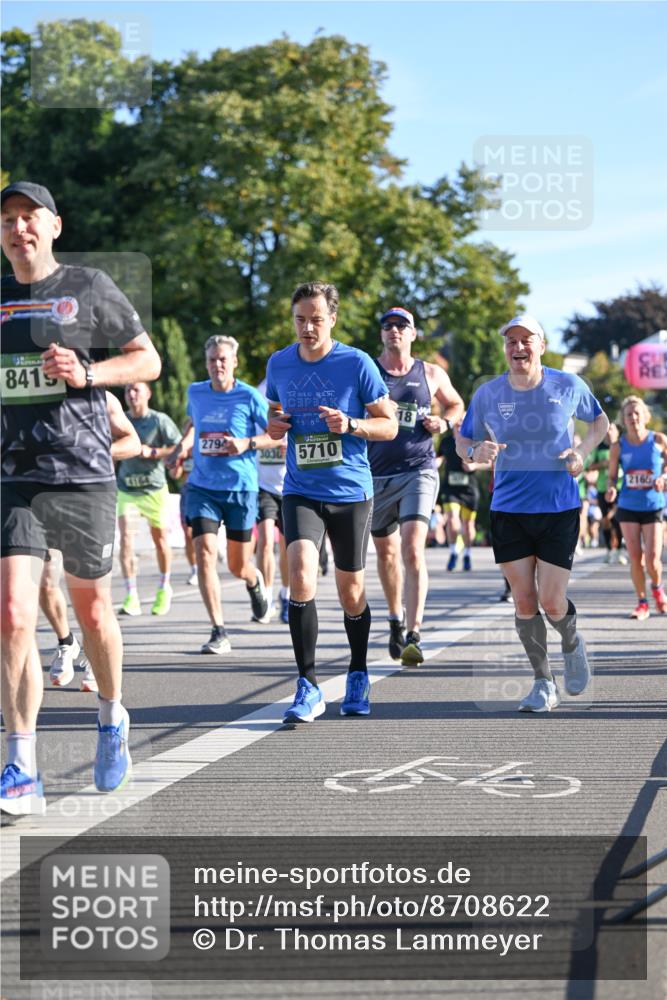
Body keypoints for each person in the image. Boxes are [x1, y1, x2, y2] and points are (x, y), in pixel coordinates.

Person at [1, 180, 161, 814]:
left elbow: (146, 360)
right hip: (13, 476)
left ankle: (112, 713)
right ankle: (20, 764)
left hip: (82, 470)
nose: (18, 228)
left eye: (29, 216)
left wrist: (89, 372)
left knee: (92, 613)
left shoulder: (88, 287)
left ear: (54, 226)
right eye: (8, 219)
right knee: (14, 615)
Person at [458, 314, 608, 713]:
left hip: (559, 506)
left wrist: (582, 453)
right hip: (509, 509)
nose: (519, 347)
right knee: (524, 603)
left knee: (553, 601)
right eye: (512, 341)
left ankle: (572, 643)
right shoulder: (488, 394)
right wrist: (475, 452)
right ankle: (543, 682)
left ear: (541, 345)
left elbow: (600, 422)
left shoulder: (568, 385)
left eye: (527, 340)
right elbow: (463, 436)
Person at [266, 281, 398, 722]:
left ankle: (358, 672)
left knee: (351, 592)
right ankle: (308, 686)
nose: (307, 328)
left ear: (332, 319)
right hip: (301, 489)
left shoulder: (356, 363)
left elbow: (390, 426)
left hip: (350, 492)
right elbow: (272, 416)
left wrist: (353, 424)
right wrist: (276, 426)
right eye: (300, 319)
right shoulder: (279, 363)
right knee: (300, 576)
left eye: (316, 320)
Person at [367, 307, 464, 665]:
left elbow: (456, 403)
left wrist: (444, 421)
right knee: (387, 554)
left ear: (413, 334)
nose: (394, 330)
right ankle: (394, 617)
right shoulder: (369, 371)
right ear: (382, 334)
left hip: (419, 470)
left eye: (401, 326)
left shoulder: (431, 373)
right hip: (375, 474)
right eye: (388, 325)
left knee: (411, 548)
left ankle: (414, 632)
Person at [168, 335, 274, 653]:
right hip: (202, 487)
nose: (217, 365)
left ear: (234, 362)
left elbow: (275, 434)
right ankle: (218, 630)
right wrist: (179, 449)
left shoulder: (249, 396)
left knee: (237, 566)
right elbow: (193, 425)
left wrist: (247, 443)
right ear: (206, 363)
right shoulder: (196, 392)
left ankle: (254, 581)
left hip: (240, 489)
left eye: (223, 359)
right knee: (204, 555)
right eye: (212, 359)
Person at [43, 391, 141, 692]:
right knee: (44, 582)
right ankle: (66, 642)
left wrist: (96, 452)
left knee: (90, 599)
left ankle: (92, 651)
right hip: (39, 498)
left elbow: (132, 442)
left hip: (87, 503)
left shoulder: (100, 397)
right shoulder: (28, 396)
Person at [116, 381, 181, 617]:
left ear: (148, 394)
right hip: (127, 489)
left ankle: (164, 587)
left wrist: (154, 452)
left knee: (160, 541)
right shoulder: (120, 419)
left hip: (154, 489)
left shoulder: (159, 420)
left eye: (136, 390)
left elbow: (178, 447)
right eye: (127, 390)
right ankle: (131, 594)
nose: (131, 395)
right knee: (126, 541)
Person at [605, 396, 667, 619]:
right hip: (628, 505)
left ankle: (658, 588)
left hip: (653, 505)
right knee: (635, 557)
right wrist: (611, 488)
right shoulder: (618, 446)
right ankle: (642, 603)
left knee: (652, 559)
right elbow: (612, 477)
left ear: (646, 416)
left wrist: (664, 477)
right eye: (629, 414)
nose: (633, 418)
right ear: (623, 419)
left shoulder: (659, 440)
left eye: (637, 413)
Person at [255, 379, 290, 623]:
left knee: (289, 547)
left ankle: (286, 595)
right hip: (264, 485)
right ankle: (265, 598)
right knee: (266, 540)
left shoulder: (294, 394)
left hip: (290, 486)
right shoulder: (258, 394)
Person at [438, 423, 482, 573]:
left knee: (468, 525)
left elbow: (489, 461)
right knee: (451, 519)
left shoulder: (475, 441)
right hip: (450, 487)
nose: (460, 425)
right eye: (457, 423)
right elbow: (439, 458)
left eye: (463, 422)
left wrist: (474, 466)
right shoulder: (446, 441)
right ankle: (453, 552)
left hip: (469, 489)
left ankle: (467, 554)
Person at [588, 424, 626, 564]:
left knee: (617, 519)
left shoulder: (623, 446)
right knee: (605, 520)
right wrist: (604, 463)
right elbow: (590, 466)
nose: (608, 432)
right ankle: (610, 551)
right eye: (607, 429)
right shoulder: (600, 448)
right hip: (602, 488)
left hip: (620, 488)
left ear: (618, 432)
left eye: (611, 429)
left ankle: (619, 551)